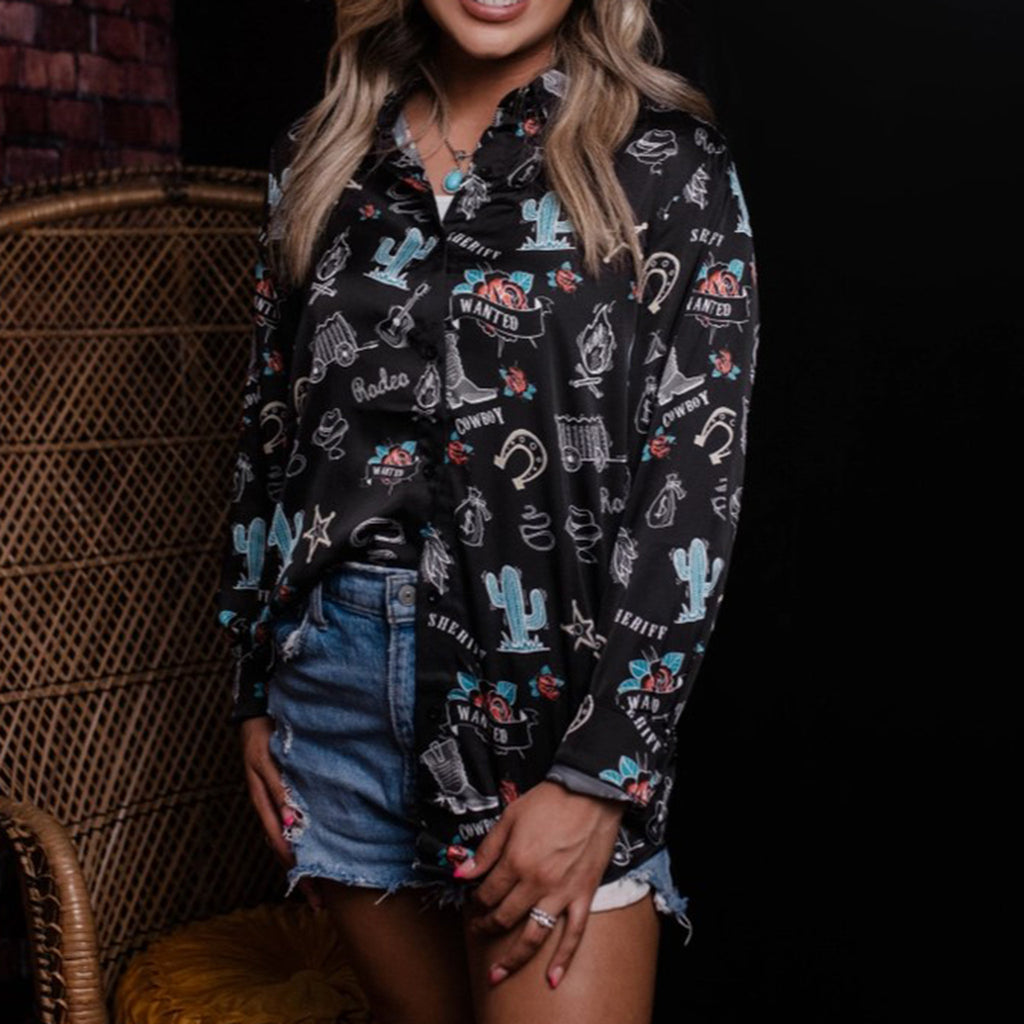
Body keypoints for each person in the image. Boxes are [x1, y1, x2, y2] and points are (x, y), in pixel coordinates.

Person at [215, 1, 759, 1021]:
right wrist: (256, 680)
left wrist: (602, 771)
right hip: (331, 697)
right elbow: (271, 428)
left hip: (547, 705)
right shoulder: (320, 154)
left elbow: (692, 492)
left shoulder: (667, 163)